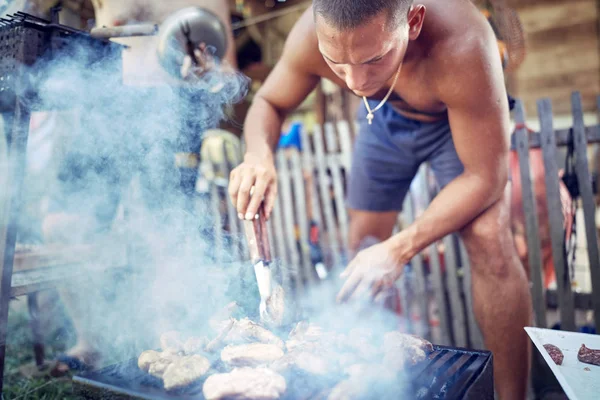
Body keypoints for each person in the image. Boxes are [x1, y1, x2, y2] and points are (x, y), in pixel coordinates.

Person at [227, 1, 532, 399]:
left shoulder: (464, 41)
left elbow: (487, 178)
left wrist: (401, 248)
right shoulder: (312, 35)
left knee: (490, 237)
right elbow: (269, 102)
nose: (354, 81)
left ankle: (513, 395)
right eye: (337, 64)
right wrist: (258, 155)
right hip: (382, 117)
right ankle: (371, 385)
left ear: (414, 20)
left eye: (373, 58)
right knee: (363, 253)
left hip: (458, 120)